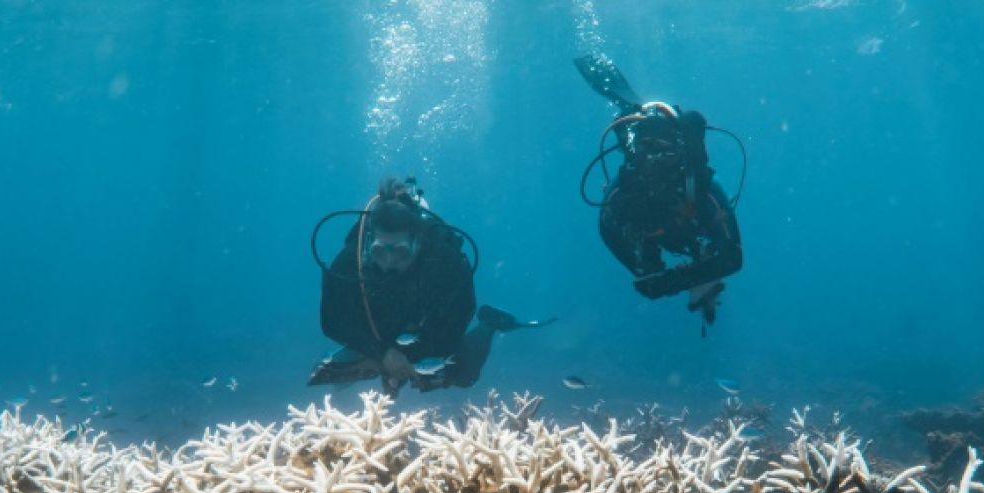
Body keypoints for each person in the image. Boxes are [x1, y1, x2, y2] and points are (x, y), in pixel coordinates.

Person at [309, 177, 545, 394]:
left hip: (428, 330)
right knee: (333, 373)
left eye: (400, 252)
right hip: (375, 331)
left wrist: (415, 358)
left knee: (465, 375)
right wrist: (383, 354)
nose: (389, 263)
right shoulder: (353, 259)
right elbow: (331, 322)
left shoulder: (444, 259)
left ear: (417, 243)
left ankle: (489, 325)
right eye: (380, 251)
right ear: (370, 241)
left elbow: (461, 314)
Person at [576, 54, 744, 334]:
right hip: (657, 233)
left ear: (680, 154)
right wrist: (644, 271)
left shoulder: (700, 188)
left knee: (703, 253)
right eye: (648, 150)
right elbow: (608, 230)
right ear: (635, 153)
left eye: (663, 152)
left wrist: (670, 281)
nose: (654, 161)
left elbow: (733, 257)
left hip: (685, 232)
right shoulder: (623, 192)